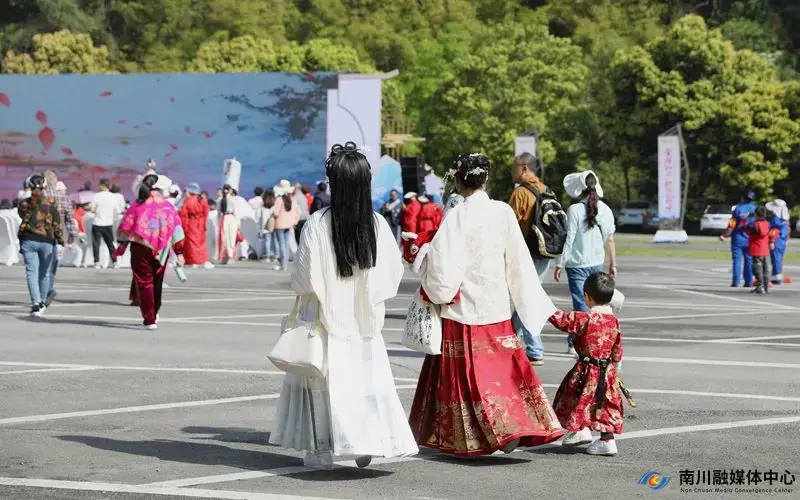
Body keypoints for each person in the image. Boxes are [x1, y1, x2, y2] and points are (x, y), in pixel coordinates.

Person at [270, 142, 418, 469]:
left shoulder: (318, 224)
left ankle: (321, 450)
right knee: (366, 383)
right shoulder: (377, 224)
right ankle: (365, 439)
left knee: (321, 387)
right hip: (364, 322)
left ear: (334, 183)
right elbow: (392, 275)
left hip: (325, 319)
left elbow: (303, 279)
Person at [408, 153, 564, 457]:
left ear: (457, 180)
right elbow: (518, 260)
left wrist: (435, 289)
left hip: (463, 305)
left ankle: (473, 437)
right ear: (487, 179)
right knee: (504, 371)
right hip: (494, 304)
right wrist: (528, 299)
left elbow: (442, 265)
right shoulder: (502, 211)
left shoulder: (457, 215)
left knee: (467, 377)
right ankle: (514, 425)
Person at [548, 272, 624, 456]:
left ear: (587, 297)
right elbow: (617, 350)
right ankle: (607, 440)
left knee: (576, 398)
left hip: (585, 370)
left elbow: (561, 320)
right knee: (605, 405)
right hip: (607, 372)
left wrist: (544, 307)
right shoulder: (613, 321)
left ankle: (579, 430)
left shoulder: (583, 319)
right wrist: (615, 371)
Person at [554, 171, 617, 356]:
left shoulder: (574, 210)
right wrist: (613, 264)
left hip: (576, 265)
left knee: (580, 305)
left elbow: (569, 239)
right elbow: (609, 238)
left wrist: (560, 263)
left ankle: (576, 343)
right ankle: (592, 341)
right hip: (596, 262)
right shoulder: (605, 209)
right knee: (596, 304)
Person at [116, 174, 185, 330]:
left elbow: (125, 227)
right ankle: (155, 311)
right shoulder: (168, 206)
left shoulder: (137, 205)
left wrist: (122, 245)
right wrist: (179, 252)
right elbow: (177, 230)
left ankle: (149, 318)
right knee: (157, 282)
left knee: (144, 283)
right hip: (162, 250)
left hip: (140, 247)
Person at [508, 152, 550, 365]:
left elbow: (509, 226)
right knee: (523, 298)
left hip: (526, 253)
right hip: (544, 253)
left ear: (524, 167)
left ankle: (534, 348)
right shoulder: (546, 190)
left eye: (513, 166)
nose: (511, 170)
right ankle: (510, 339)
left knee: (524, 299)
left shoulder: (520, 193)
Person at [17, 174, 63, 318]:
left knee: (31, 272)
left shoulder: (24, 203)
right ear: (44, 187)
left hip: (28, 240)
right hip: (47, 242)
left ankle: (36, 302)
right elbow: (57, 224)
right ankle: (42, 303)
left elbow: (21, 215)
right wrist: (60, 242)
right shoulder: (51, 203)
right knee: (44, 274)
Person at [43, 172, 78, 307]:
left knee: (42, 266)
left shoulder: (40, 196)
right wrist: (71, 238)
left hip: (42, 235)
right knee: (52, 266)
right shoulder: (65, 198)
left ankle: (46, 291)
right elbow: (70, 221)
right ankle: (48, 290)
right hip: (58, 236)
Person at [720, 190, 758, 287]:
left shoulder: (738, 208)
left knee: (737, 260)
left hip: (738, 237)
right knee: (749, 260)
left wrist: (725, 234)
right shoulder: (755, 208)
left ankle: (736, 281)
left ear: (743, 197)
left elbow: (732, 222)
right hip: (750, 237)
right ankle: (748, 282)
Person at [179, 183, 213, 269]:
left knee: (191, 243)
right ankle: (202, 260)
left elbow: (183, 214)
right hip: (200, 223)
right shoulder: (203, 200)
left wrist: (184, 226)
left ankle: (193, 261)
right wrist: (204, 224)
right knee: (200, 243)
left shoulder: (188, 200)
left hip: (191, 223)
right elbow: (206, 213)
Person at [89, 179, 120, 269]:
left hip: (97, 223)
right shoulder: (113, 197)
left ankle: (97, 262)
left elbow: (92, 208)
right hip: (108, 223)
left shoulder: (96, 196)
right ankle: (115, 262)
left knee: (96, 244)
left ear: (102, 185)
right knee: (110, 244)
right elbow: (116, 211)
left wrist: (96, 211)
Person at [271, 182, 301, 271]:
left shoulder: (279, 200)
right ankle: (285, 265)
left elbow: (275, 213)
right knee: (286, 244)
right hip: (290, 225)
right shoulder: (293, 200)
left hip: (280, 225)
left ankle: (282, 265)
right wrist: (294, 222)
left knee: (282, 245)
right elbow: (298, 212)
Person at [746, 206, 772, 295]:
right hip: (765, 249)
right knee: (766, 269)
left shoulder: (754, 224)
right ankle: (765, 287)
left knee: (757, 268)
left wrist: (746, 218)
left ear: (756, 214)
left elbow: (743, 228)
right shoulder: (767, 224)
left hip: (756, 248)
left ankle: (760, 286)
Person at [766, 199, 790, 285]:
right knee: (779, 259)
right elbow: (788, 230)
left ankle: (777, 278)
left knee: (776, 259)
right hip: (782, 241)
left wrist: (771, 241)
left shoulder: (776, 219)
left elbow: (773, 231)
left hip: (776, 240)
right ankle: (775, 277)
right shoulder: (785, 219)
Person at [216, 185, 239, 264]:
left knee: (224, 238)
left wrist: (218, 222)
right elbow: (236, 211)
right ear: (230, 190)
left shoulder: (219, 200)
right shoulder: (233, 199)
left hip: (224, 218)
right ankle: (230, 257)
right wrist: (238, 223)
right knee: (231, 238)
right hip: (231, 218)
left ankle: (224, 257)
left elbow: (218, 213)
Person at [258, 190, 278, 263]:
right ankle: (276, 256)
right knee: (275, 241)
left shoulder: (262, 206)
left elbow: (258, 216)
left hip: (265, 226)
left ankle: (267, 256)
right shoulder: (274, 205)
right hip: (274, 225)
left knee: (267, 241)